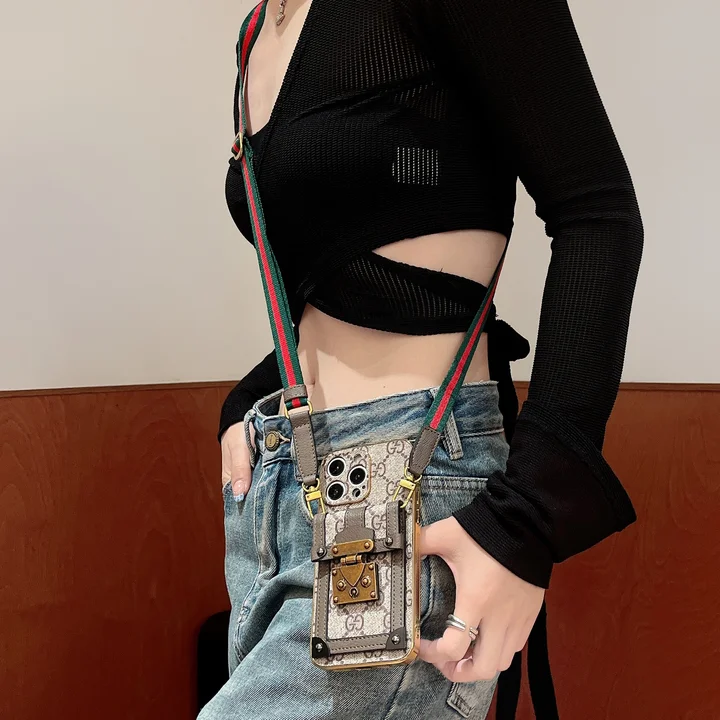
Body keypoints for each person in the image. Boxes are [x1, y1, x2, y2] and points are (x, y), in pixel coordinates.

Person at [199, 0, 643, 717]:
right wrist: (251, 399)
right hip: (281, 490)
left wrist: (526, 521)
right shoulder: (259, 29)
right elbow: (338, 280)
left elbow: (597, 212)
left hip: (412, 474)